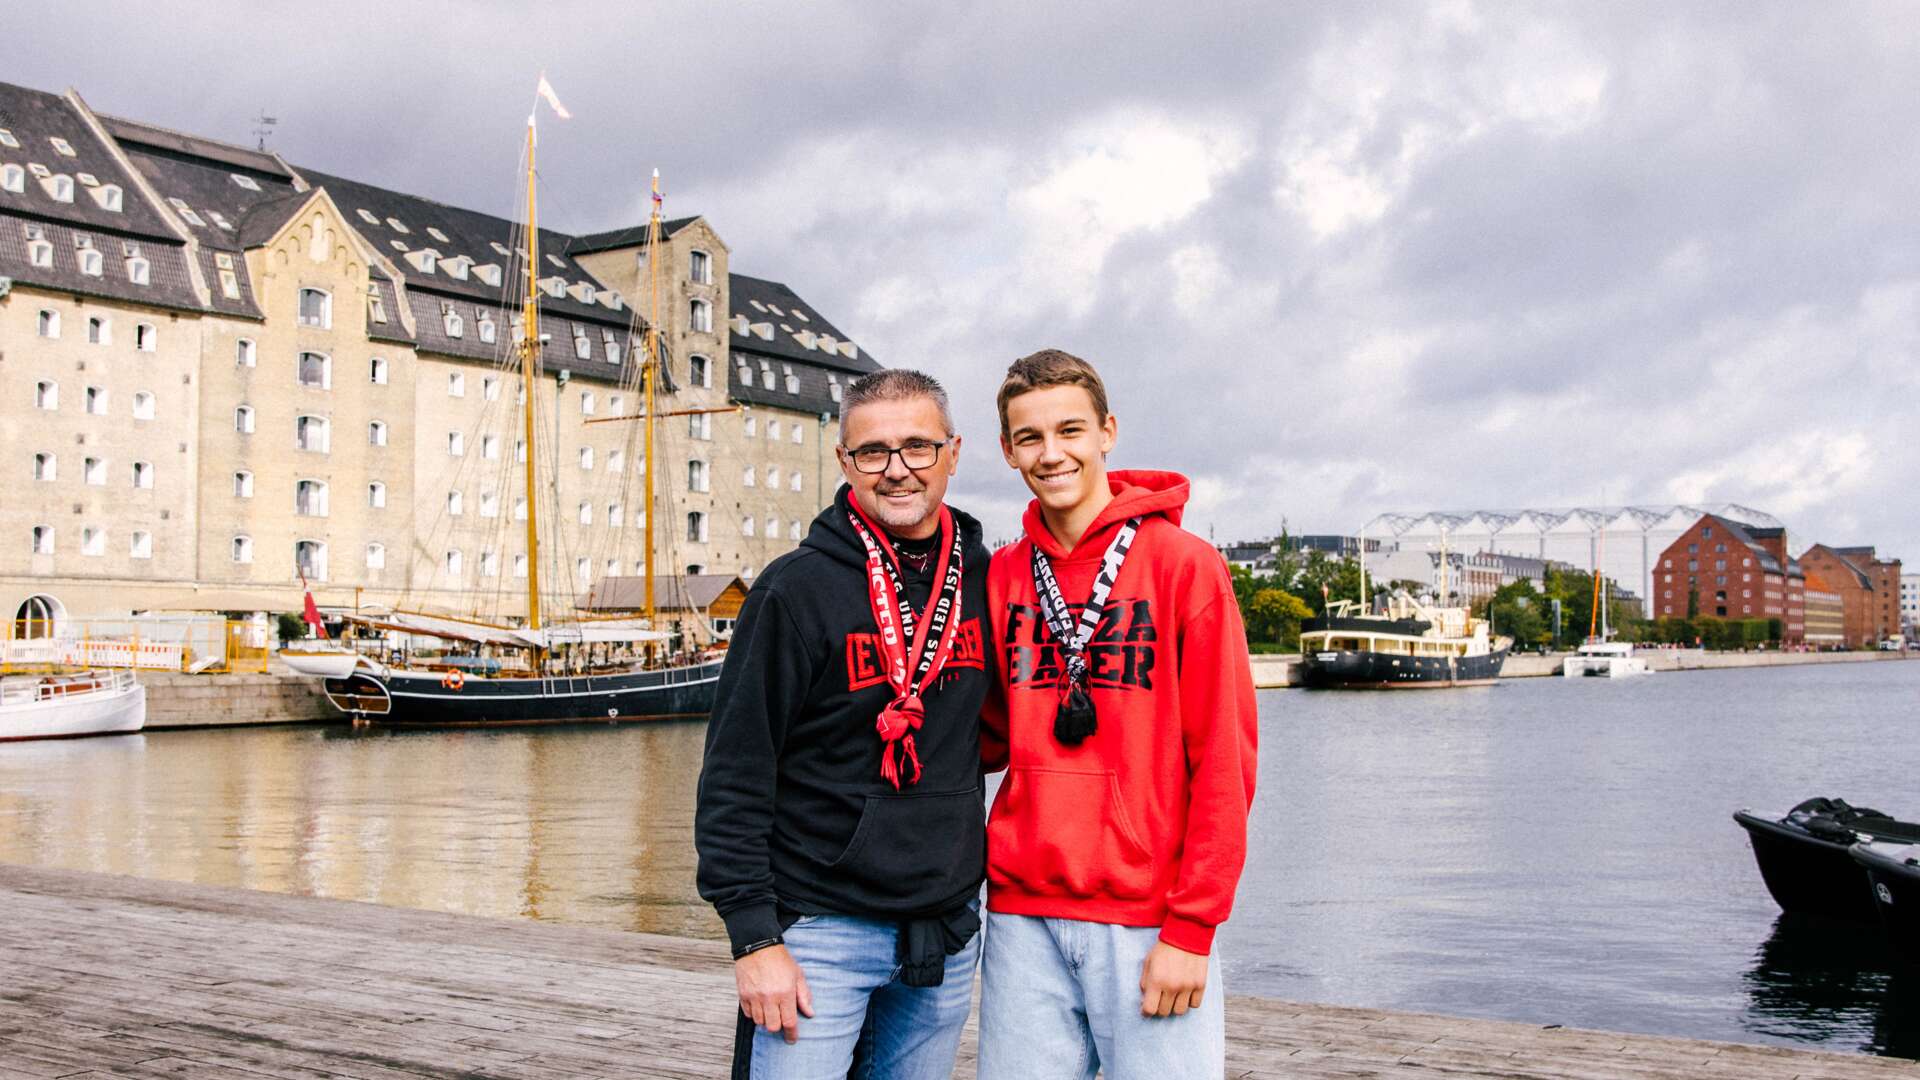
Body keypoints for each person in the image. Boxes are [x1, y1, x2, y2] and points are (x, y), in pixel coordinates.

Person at [695, 369, 993, 1079]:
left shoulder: (986, 578)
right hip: (819, 931)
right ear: (844, 463)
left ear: (954, 452)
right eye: (873, 452)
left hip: (946, 930)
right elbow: (735, 774)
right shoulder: (793, 591)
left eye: (918, 447)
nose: (897, 470)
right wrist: (753, 939)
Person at [978, 348, 1258, 1079]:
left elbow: (1224, 762)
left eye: (1070, 430)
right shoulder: (1004, 575)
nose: (1052, 454)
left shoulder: (1184, 566)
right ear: (1007, 451)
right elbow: (982, 738)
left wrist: (1193, 929)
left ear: (1107, 431)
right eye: (1030, 438)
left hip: (1148, 918)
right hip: (1020, 917)